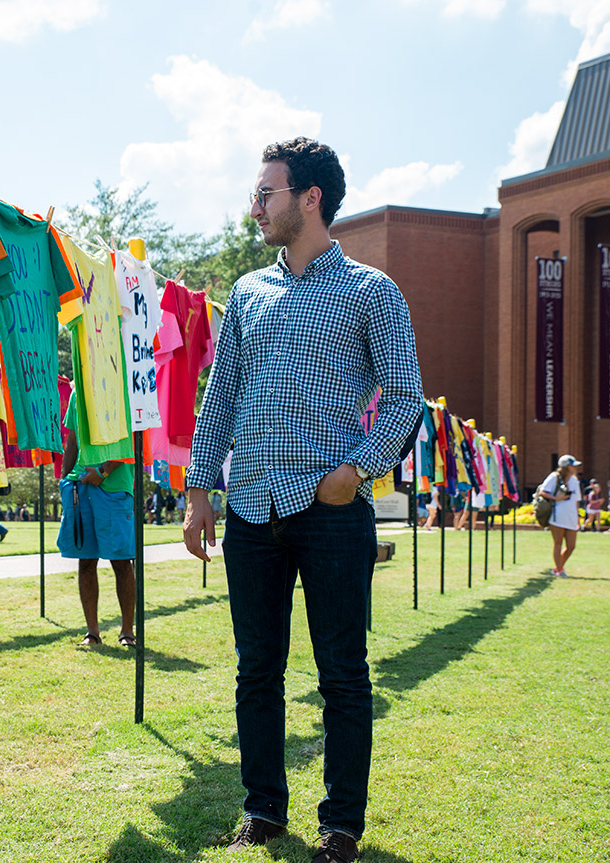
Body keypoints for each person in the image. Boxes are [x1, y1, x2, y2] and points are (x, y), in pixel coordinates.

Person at [181, 138, 423, 862]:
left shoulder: (371, 291)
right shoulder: (248, 292)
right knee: (257, 669)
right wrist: (200, 490)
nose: (254, 207)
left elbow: (406, 397)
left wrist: (357, 470)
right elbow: (220, 395)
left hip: (329, 512)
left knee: (342, 675)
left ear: (310, 197)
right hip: (250, 509)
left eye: (266, 194)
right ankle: (264, 811)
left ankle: (341, 826)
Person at [58, 429, 136, 648]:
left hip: (114, 488)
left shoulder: (121, 394)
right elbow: (73, 438)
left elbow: (128, 438)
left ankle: (127, 632)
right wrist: (65, 479)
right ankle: (92, 632)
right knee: (86, 561)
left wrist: (103, 470)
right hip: (80, 484)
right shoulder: (76, 395)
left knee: (122, 562)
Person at [538, 455, 582, 577]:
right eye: (573, 465)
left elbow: (577, 500)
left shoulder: (574, 480)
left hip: (571, 516)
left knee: (571, 546)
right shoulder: (554, 477)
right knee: (558, 543)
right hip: (557, 516)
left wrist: (578, 517)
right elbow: (543, 492)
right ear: (566, 467)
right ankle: (559, 570)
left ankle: (557, 568)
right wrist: (556, 498)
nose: (575, 468)